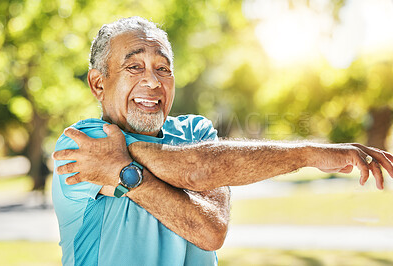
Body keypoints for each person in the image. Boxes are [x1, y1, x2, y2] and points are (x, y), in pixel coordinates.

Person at [52, 16, 393, 266]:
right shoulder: (81, 144)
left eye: (163, 68)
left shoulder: (195, 132)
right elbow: (198, 169)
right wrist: (308, 154)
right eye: (134, 67)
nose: (153, 82)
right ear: (99, 84)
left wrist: (125, 170)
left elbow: (210, 229)